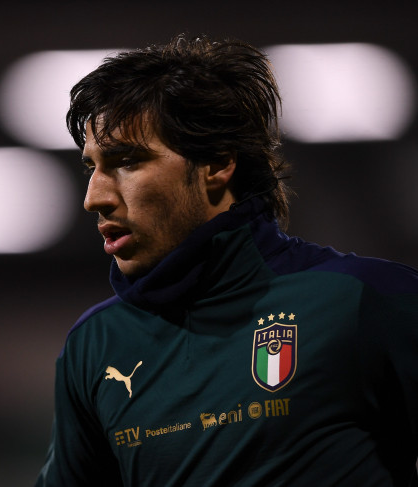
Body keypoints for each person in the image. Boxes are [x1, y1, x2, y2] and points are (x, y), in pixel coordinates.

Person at [35, 34, 418, 486]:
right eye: (92, 168)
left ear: (217, 163)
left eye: (127, 161)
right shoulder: (96, 345)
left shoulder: (367, 300)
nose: (94, 198)